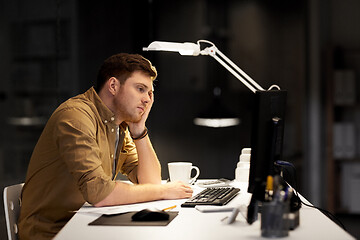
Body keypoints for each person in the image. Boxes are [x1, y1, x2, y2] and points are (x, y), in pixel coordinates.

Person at [18, 53, 193, 240]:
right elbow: (99, 194)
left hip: (86, 224)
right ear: (113, 86)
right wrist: (165, 190)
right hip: (52, 233)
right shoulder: (76, 117)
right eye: (140, 89)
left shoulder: (118, 126)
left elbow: (149, 182)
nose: (147, 99)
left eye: (150, 93)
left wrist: (139, 130)